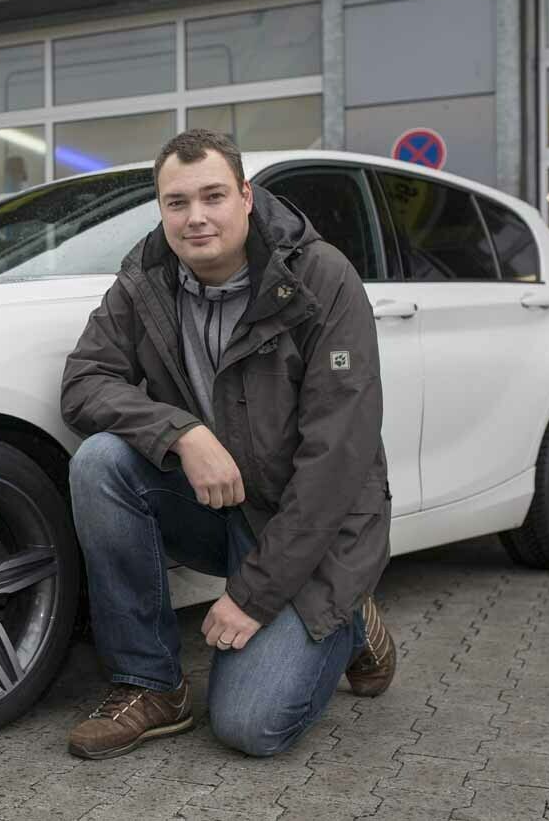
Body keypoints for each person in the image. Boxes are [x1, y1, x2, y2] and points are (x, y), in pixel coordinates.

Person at [60, 129, 396, 761]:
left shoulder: (322, 280)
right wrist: (181, 433)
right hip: (222, 505)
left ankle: (349, 617)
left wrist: (252, 596)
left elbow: (336, 465)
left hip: (314, 525)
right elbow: (83, 382)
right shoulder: (146, 277)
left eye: (212, 196)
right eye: (176, 202)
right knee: (101, 463)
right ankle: (151, 685)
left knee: (250, 725)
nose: (195, 218)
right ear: (160, 209)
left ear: (245, 196)